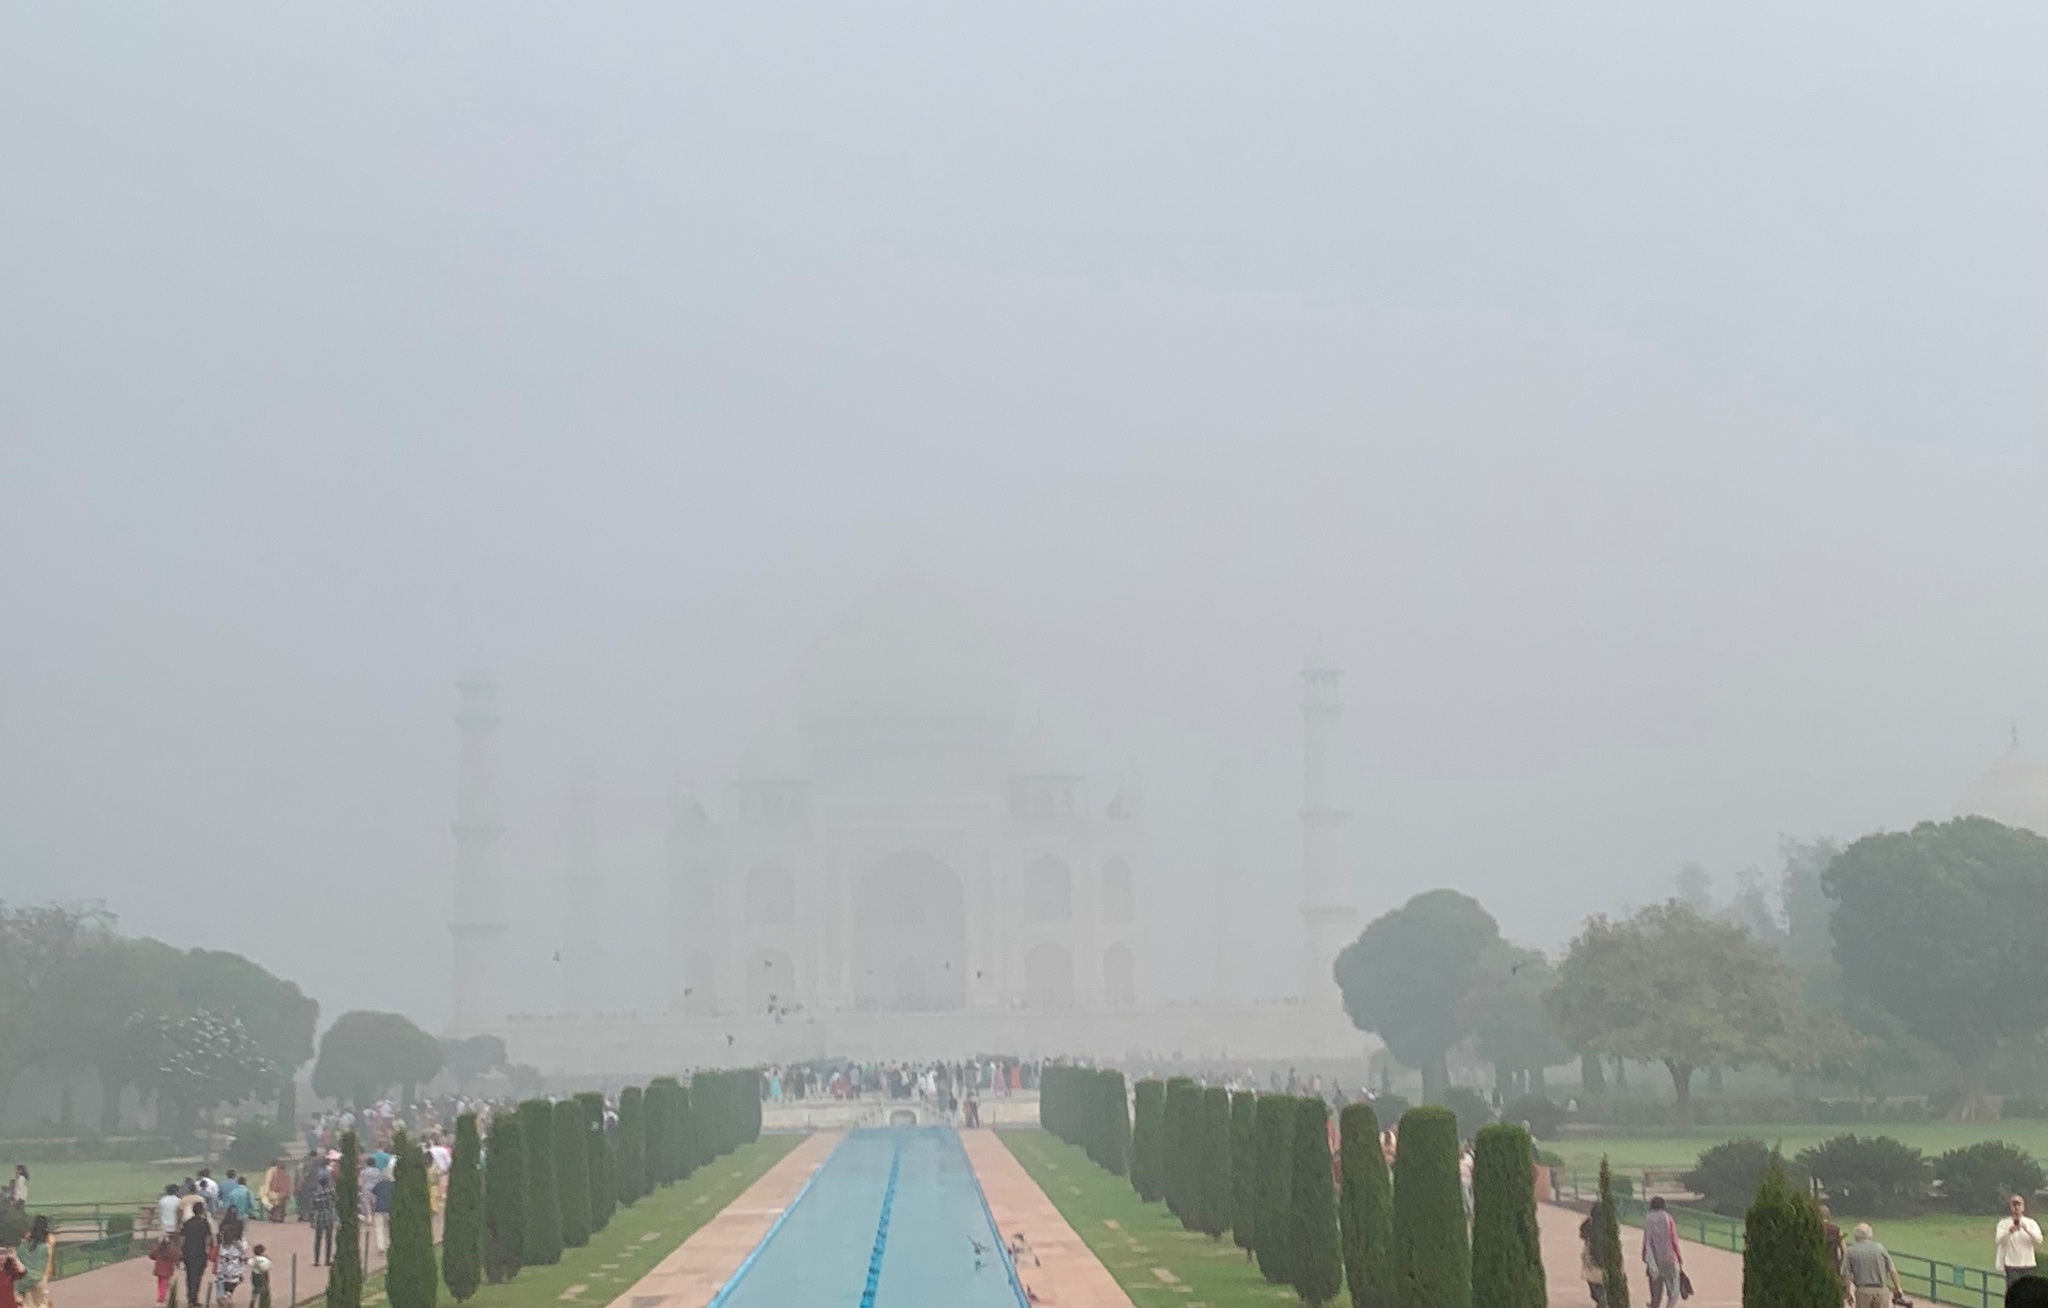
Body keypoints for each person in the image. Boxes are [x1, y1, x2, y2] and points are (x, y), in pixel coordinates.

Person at [1842, 1223, 1903, 1308]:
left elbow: (1846, 1275)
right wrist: (1898, 1287)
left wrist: (1848, 1292)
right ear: (1870, 1235)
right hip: (1881, 1290)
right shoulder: (1880, 1248)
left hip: (1863, 1291)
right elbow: (1892, 1270)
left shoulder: (1851, 1251)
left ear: (1856, 1236)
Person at [1641, 1195, 1684, 1308]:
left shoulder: (1648, 1218)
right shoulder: (1668, 1218)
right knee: (1673, 1291)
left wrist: (1644, 1255)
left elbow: (1647, 1240)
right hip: (1670, 1258)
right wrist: (1679, 1256)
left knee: (1656, 1291)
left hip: (1654, 1259)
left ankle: (1654, 1305)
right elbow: (1673, 1240)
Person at [1999, 1194, 2045, 1289]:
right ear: (2011, 1207)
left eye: (2018, 1205)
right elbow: (1999, 1240)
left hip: (2028, 1264)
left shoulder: (2031, 1223)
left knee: (2028, 1293)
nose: (2016, 1208)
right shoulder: (2004, 1223)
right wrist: (2009, 1231)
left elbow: (2039, 1240)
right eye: (2014, 1205)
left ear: (2023, 1207)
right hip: (2012, 1265)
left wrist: (2026, 1229)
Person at [180, 1205, 213, 1308]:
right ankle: (194, 1297)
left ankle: (190, 1296)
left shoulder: (187, 1223)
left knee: (189, 1275)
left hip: (188, 1251)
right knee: (197, 1276)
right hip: (200, 1251)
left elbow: (182, 1237)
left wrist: (181, 1251)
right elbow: (209, 1238)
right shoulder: (204, 1223)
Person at [15, 1217, 51, 1308]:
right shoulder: (46, 1247)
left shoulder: (22, 1247)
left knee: (26, 1304)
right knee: (42, 1304)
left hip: (24, 1279)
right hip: (40, 1279)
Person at [306, 1165, 336, 1267]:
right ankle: (327, 1260)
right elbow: (335, 1201)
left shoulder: (315, 1194)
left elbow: (312, 1208)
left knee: (317, 1240)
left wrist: (311, 1221)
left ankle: (316, 1260)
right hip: (328, 1215)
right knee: (329, 1240)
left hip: (318, 1216)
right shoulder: (330, 1192)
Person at [215, 1225, 247, 1307]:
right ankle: (227, 1295)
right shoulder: (237, 1245)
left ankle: (225, 1295)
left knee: (224, 1281)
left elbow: (219, 1254)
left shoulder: (221, 1245)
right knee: (235, 1281)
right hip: (234, 1266)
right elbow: (242, 1254)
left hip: (223, 1266)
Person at [1579, 1214, 1607, 1306]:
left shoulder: (1601, 1223)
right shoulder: (1591, 1223)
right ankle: (1601, 1299)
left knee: (1595, 1282)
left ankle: (1601, 1300)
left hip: (1595, 1257)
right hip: (1595, 1255)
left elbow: (1581, 1233)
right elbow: (1582, 1233)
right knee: (1598, 1282)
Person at [149, 1234, 182, 1306]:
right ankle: (162, 1298)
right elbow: (176, 1256)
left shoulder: (157, 1249)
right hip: (168, 1269)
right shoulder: (170, 1249)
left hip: (159, 1269)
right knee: (165, 1284)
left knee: (160, 1284)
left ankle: (160, 1298)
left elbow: (151, 1255)